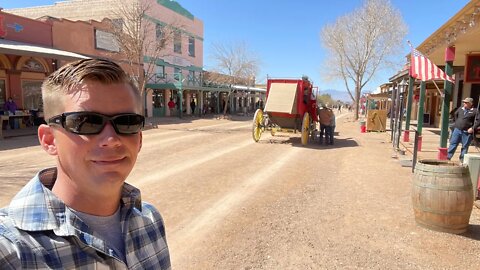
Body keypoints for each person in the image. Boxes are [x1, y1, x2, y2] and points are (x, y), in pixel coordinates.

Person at [0, 59, 171, 269]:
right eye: (85, 122)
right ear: (49, 140)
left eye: (127, 122)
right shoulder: (9, 251)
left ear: (140, 139)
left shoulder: (150, 221)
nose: (111, 139)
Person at [447, 97, 480, 162]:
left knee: (465, 146)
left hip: (467, 132)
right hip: (457, 130)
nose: (464, 103)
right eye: (464, 102)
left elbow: (478, 121)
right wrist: (457, 124)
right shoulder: (460, 109)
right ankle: (448, 157)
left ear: (470, 103)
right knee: (453, 144)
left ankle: (462, 160)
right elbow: (455, 115)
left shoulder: (475, 111)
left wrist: (473, 128)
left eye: (466, 102)